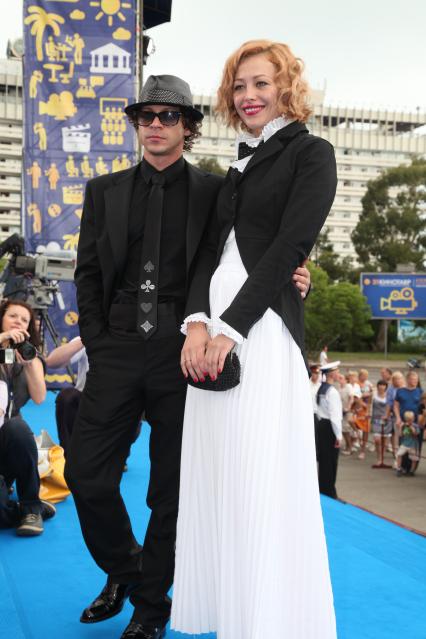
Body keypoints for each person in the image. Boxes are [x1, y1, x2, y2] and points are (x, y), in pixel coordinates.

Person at [64, 74, 311, 639]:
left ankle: (151, 609)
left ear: (188, 127)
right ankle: (127, 569)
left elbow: (253, 249)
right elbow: (89, 273)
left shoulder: (216, 190)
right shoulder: (102, 191)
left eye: (169, 116)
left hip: (185, 350)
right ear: (136, 124)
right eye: (146, 116)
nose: (156, 125)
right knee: (85, 474)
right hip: (117, 348)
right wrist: (99, 342)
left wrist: (300, 276)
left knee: (170, 493)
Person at [172, 40, 337, 639]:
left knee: (259, 477)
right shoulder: (237, 166)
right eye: (239, 86)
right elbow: (206, 256)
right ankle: (232, 616)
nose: (248, 96)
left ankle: (267, 623)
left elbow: (289, 247)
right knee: (220, 477)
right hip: (212, 333)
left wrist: (229, 328)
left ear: (286, 87)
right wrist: (196, 322)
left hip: (260, 332)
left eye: (261, 83)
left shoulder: (313, 153)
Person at [0, 299, 55, 535]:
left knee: (17, 427)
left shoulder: (29, 357)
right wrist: (3, 339)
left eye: (24, 320)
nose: (18, 322)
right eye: (13, 316)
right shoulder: (4, 352)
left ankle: (31, 506)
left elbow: (40, 397)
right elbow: (4, 356)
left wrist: (30, 363)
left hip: (10, 441)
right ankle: (19, 511)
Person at [45, 336, 88, 456]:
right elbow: (51, 362)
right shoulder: (88, 337)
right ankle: (68, 457)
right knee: (67, 397)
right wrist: (86, 338)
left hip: (118, 406)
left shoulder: (131, 341)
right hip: (87, 403)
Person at [315, 362, 343, 499]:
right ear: (331, 374)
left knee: (324, 460)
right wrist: (339, 436)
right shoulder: (332, 392)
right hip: (329, 427)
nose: (339, 374)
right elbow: (335, 416)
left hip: (322, 424)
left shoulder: (322, 388)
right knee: (331, 461)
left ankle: (323, 488)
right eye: (337, 372)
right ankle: (329, 491)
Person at [371, 380, 392, 469]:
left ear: (386, 386)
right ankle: (379, 458)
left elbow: (391, 406)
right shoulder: (374, 395)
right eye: (380, 385)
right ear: (378, 386)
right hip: (376, 419)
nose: (381, 386)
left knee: (385, 441)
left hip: (386, 419)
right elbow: (369, 405)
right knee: (377, 439)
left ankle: (382, 459)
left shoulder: (389, 395)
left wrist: (388, 415)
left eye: (383, 385)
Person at [395, 411, 420, 477]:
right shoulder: (404, 426)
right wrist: (400, 427)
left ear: (413, 419)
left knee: (414, 458)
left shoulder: (415, 426)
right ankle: (398, 468)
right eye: (408, 420)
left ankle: (412, 471)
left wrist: (411, 428)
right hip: (404, 444)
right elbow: (400, 435)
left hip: (413, 445)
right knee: (399, 454)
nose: (409, 421)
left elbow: (416, 434)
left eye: (411, 420)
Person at [338, 372, 355, 455]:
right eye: (339, 378)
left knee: (346, 430)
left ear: (346, 380)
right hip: (341, 411)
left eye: (341, 378)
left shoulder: (348, 387)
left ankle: (350, 447)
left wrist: (348, 407)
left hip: (347, 411)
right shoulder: (339, 388)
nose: (339, 380)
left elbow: (351, 398)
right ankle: (348, 446)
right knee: (343, 430)